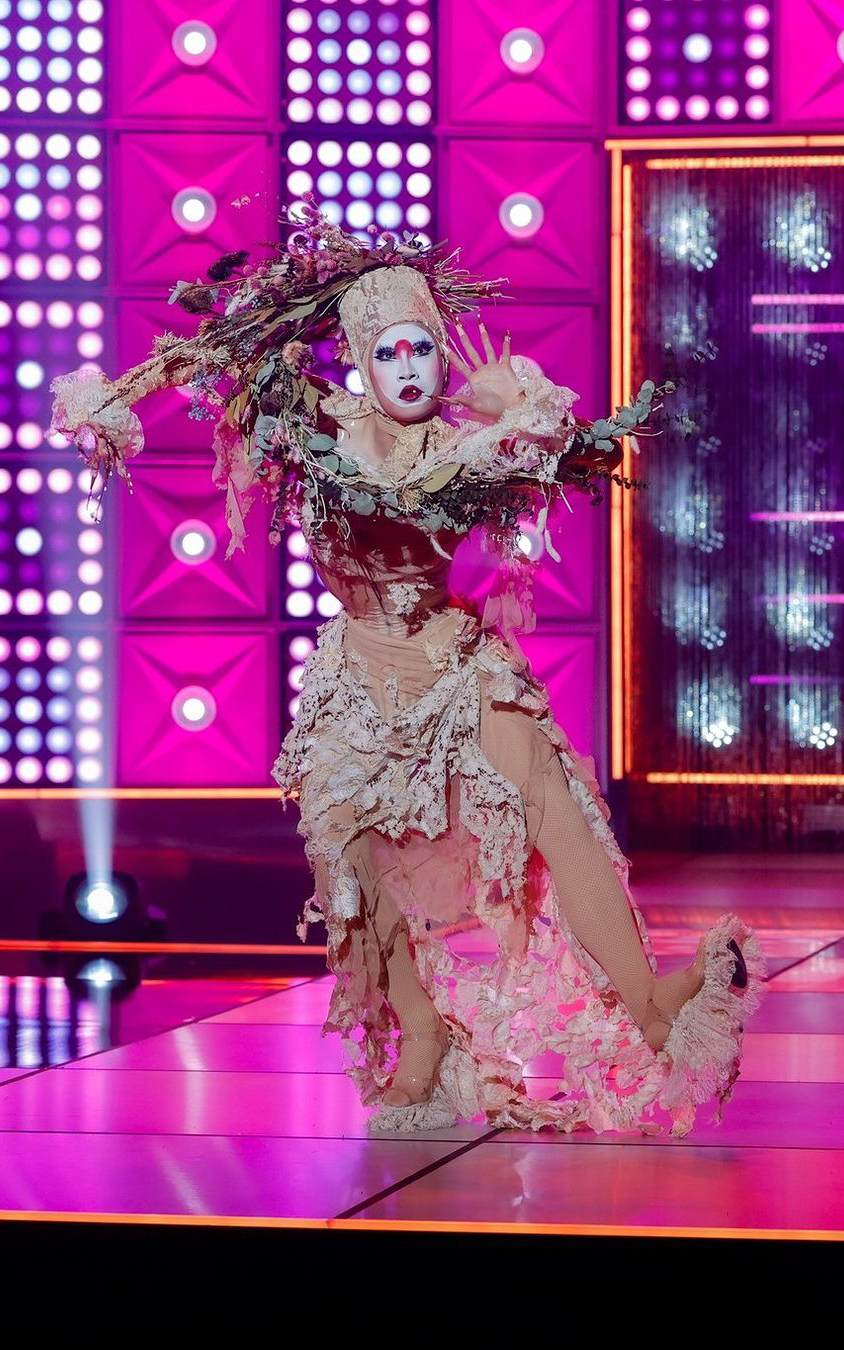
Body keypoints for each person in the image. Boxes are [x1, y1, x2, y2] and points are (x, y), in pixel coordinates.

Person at [49, 196, 766, 1138]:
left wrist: (524, 410)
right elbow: (208, 359)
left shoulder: (469, 441)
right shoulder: (320, 424)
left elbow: (553, 448)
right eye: (388, 351)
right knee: (347, 859)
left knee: (554, 806)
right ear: (361, 358)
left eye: (423, 347)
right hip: (359, 680)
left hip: (455, 663)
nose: (410, 367)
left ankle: (651, 1007)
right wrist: (117, 398)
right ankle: (421, 1038)